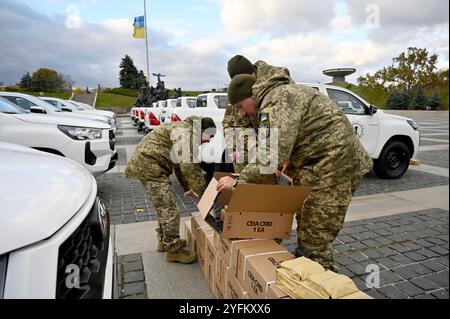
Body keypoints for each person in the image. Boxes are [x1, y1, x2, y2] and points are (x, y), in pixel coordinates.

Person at [216, 72, 373, 271]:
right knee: (306, 218)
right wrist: (287, 157)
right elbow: (291, 135)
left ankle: (318, 279)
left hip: (334, 165)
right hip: (318, 162)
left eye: (240, 107)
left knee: (315, 235)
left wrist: (237, 183)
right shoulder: (274, 97)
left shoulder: (275, 104)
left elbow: (268, 156)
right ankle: (307, 268)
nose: (243, 113)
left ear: (250, 97)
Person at [125, 116, 217, 264]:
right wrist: (204, 192)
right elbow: (189, 165)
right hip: (150, 168)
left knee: (163, 207)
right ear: (202, 131)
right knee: (170, 209)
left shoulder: (183, 129)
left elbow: (179, 165)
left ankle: (164, 241)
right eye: (210, 136)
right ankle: (173, 251)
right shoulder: (186, 133)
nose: (209, 141)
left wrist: (187, 187)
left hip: (149, 166)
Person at [224, 55, 294, 173]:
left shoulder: (278, 81)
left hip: (276, 138)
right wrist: (233, 147)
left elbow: (289, 120)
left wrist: (287, 154)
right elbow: (230, 121)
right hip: (252, 143)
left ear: (253, 72)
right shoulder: (239, 89)